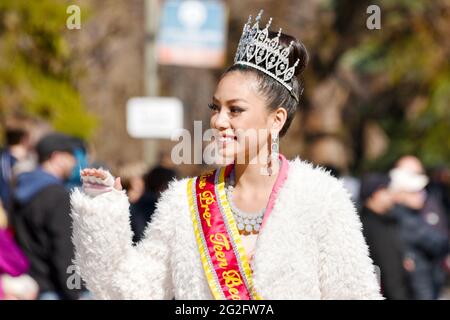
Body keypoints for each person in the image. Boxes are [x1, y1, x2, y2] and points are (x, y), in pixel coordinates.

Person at [71, 11, 382, 300]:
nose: (219, 121)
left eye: (235, 110)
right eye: (215, 108)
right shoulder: (185, 201)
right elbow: (126, 290)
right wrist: (101, 212)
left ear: (276, 120)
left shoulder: (320, 198)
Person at [10, 133, 82, 300]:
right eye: (71, 155)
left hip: (28, 286)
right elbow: (65, 249)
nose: (75, 162)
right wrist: (75, 292)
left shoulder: (19, 190)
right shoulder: (58, 196)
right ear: (56, 157)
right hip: (54, 289)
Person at [389, 161, 449, 299]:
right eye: (414, 191)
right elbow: (438, 243)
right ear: (400, 194)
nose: (421, 194)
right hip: (418, 290)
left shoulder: (411, 214)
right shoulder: (404, 219)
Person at [360, 173, 411, 299]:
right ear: (375, 194)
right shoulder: (372, 226)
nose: (391, 196)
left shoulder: (386, 221)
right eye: (386, 191)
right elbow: (390, 271)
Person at [130, 165, 177, 243]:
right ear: (163, 185)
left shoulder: (136, 207)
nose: (174, 189)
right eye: (172, 184)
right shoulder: (158, 209)